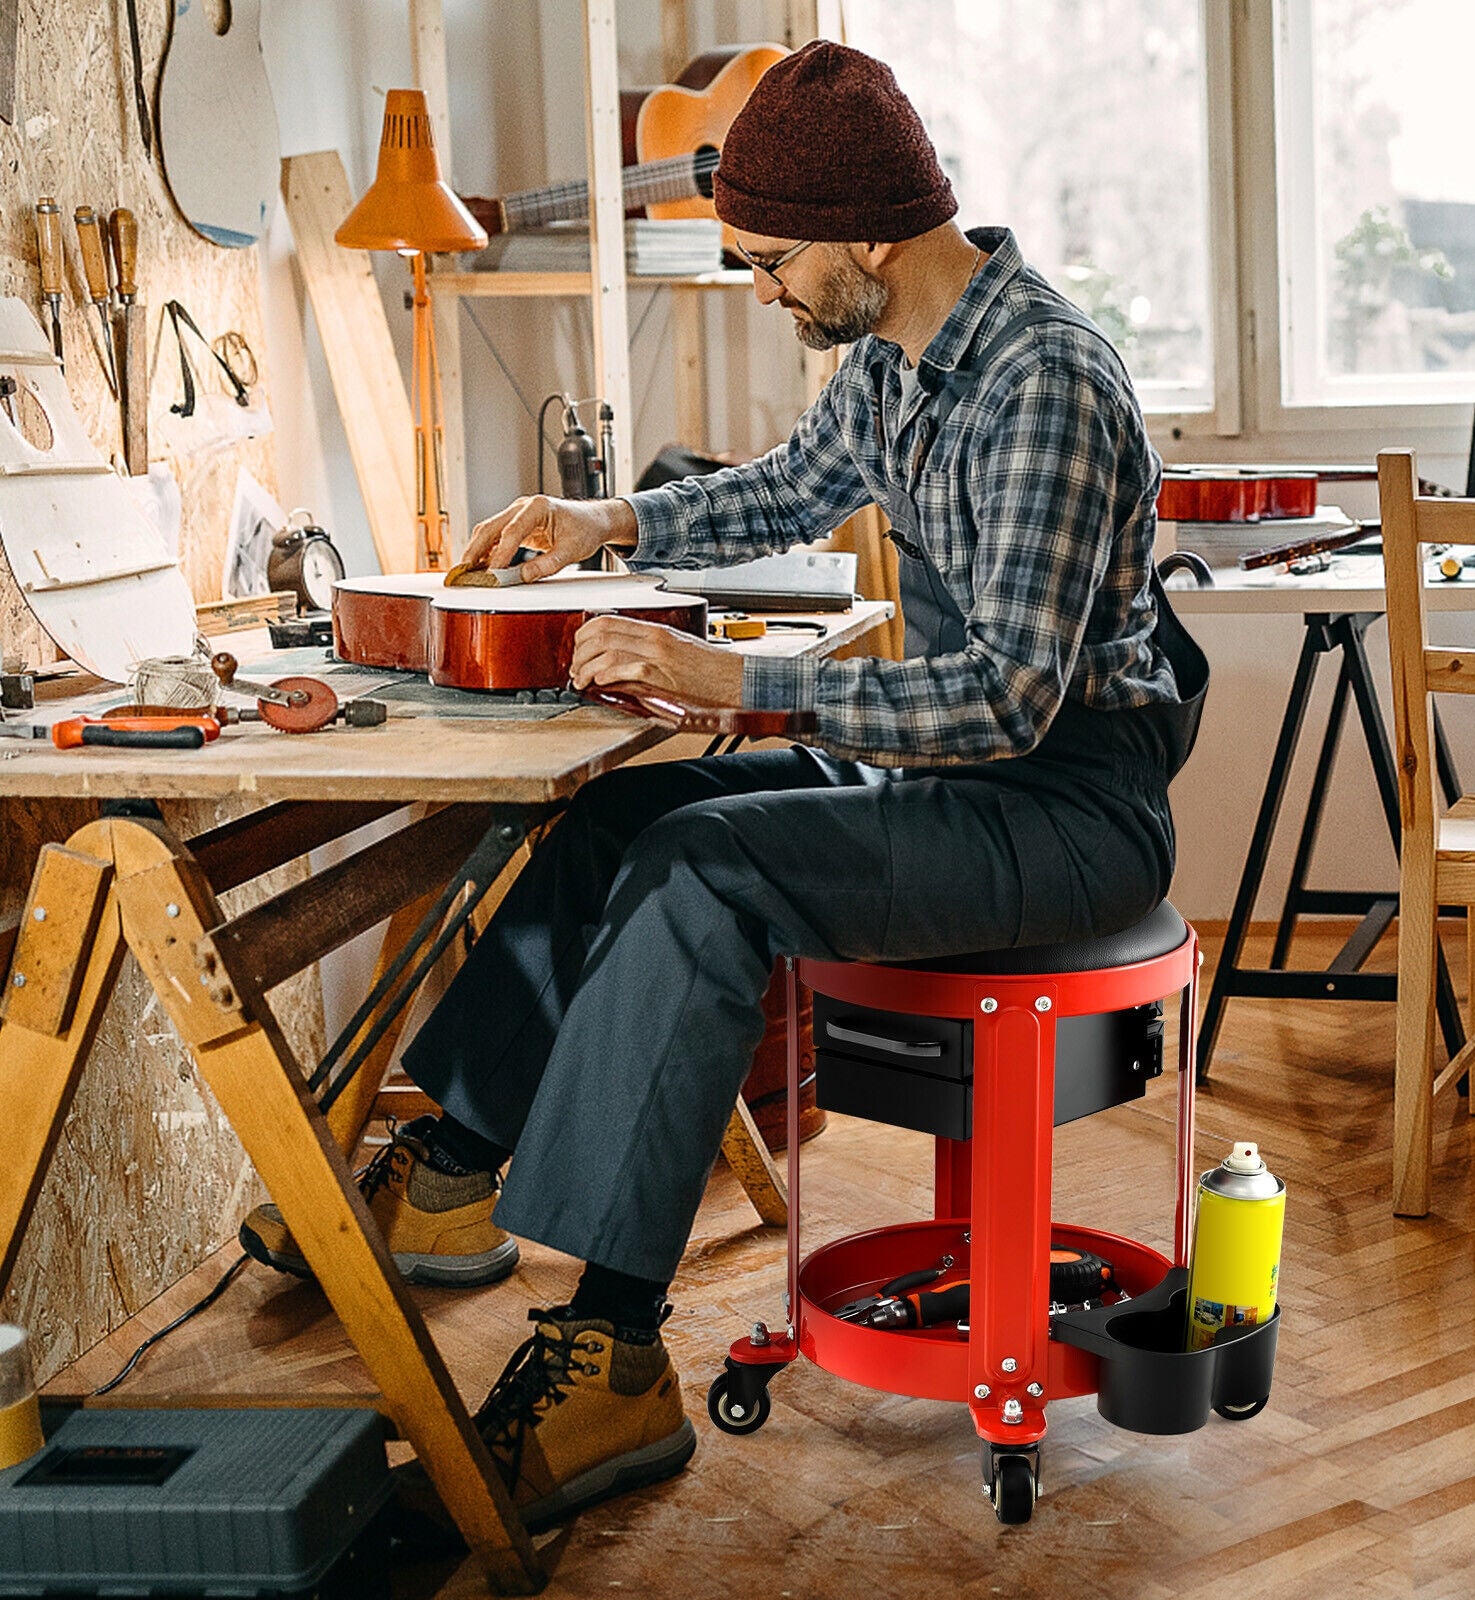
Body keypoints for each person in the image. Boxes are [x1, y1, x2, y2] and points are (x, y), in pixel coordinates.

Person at [239, 39, 1205, 1533]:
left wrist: (735, 686)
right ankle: (449, 1166)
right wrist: (601, 519)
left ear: (869, 233)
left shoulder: (1046, 384)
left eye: (766, 263)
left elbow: (1009, 702)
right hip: (960, 777)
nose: (760, 290)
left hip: (1068, 809)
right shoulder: (898, 357)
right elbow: (784, 486)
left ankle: (612, 1350)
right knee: (630, 816)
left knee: (708, 873)